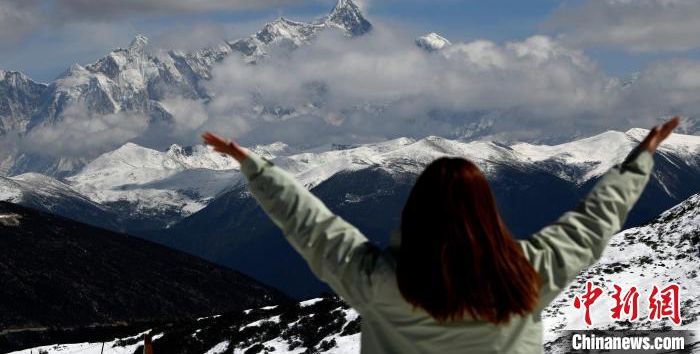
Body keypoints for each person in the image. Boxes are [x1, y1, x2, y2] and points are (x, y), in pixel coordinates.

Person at [202, 116, 679, 354]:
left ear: (415, 215)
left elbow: (310, 224)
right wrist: (641, 158)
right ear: (489, 214)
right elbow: (594, 221)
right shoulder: (528, 274)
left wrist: (253, 166)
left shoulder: (378, 281)